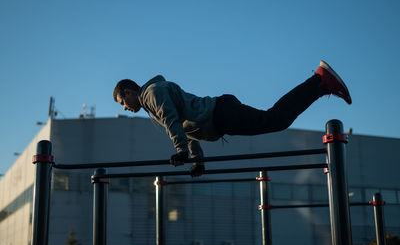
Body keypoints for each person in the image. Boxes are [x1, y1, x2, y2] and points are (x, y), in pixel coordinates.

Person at [113, 60, 351, 177]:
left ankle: (319, 81)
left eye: (123, 103)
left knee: (275, 119)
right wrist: (197, 161)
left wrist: (182, 152)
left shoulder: (153, 94)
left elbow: (173, 121)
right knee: (275, 119)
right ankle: (320, 85)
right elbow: (184, 129)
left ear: (130, 92)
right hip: (220, 116)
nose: (126, 108)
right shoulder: (150, 103)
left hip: (221, 113)